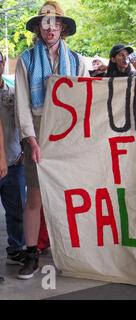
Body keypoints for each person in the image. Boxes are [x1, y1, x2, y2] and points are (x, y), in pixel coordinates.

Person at [15, 0, 88, 280]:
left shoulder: (78, 61)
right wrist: (30, 139)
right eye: (45, 22)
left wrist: (80, 136)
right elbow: (22, 102)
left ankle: (68, 251)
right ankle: (31, 253)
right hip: (36, 126)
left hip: (66, 131)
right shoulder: (26, 59)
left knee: (67, 192)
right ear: (39, 28)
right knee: (34, 193)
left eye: (55, 22)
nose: (50, 27)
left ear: (62, 28)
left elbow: (83, 101)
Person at [0, 51, 26, 267]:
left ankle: (16, 249)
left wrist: (24, 152)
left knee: (16, 210)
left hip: (13, 160)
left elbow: (24, 124)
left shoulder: (13, 93)